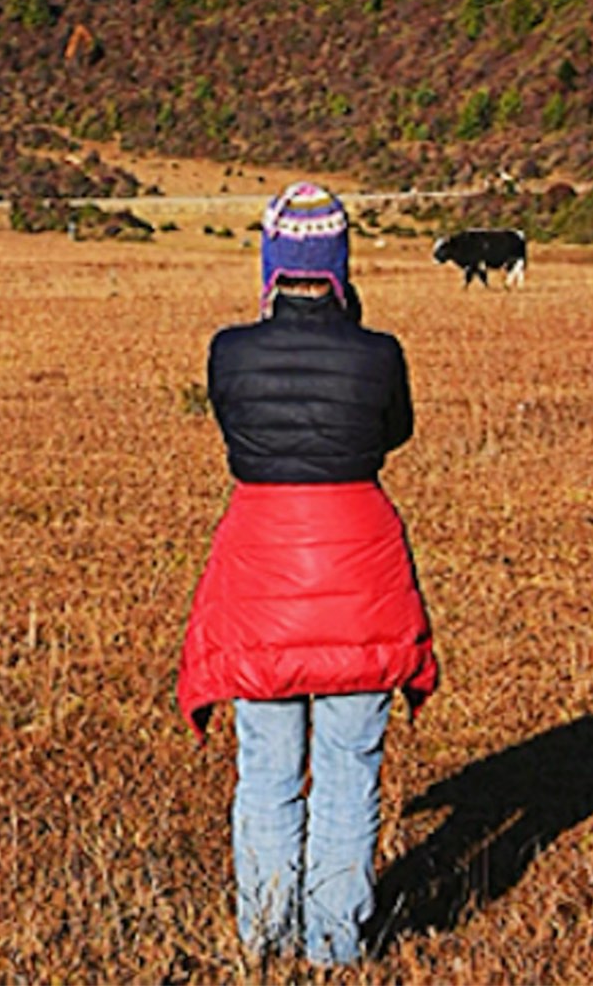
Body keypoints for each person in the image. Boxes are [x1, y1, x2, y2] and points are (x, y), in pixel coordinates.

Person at [178, 181, 438, 967]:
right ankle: (336, 945)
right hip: (361, 572)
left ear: (270, 263)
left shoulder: (230, 351)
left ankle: (263, 938)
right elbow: (396, 432)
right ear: (339, 263)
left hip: (260, 573)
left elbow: (234, 432)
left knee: (265, 769)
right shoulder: (379, 354)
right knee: (350, 771)